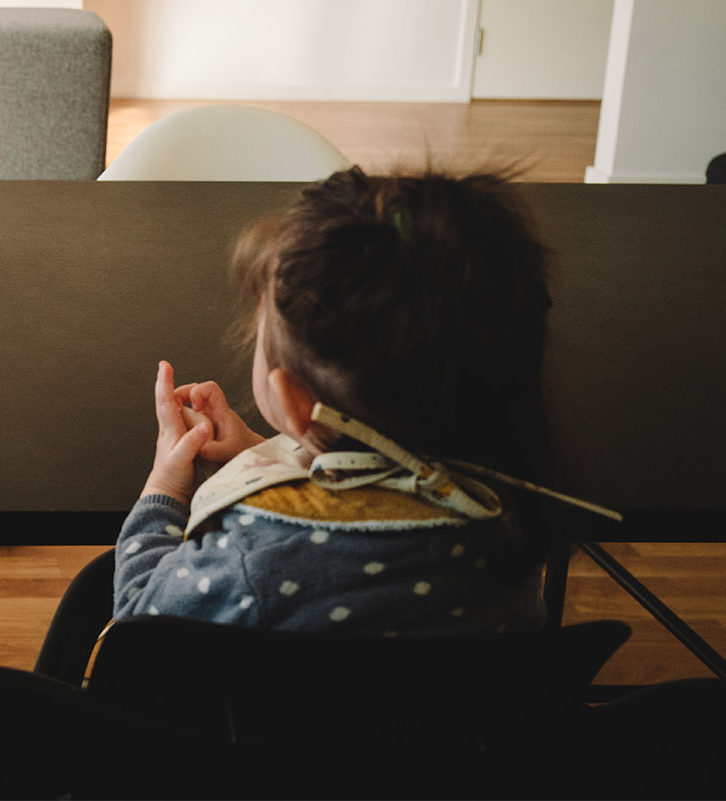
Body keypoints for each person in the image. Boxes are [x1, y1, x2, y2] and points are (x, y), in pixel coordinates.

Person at [39, 169, 561, 680]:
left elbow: (139, 623)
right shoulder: (511, 519)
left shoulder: (251, 557)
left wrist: (163, 489)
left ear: (294, 401)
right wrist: (261, 454)